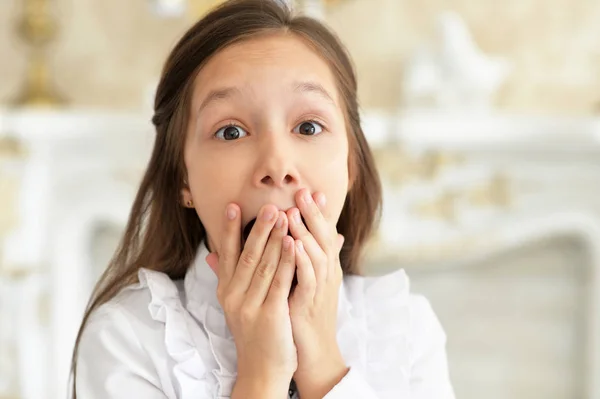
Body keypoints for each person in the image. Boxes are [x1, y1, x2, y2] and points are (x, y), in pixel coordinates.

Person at [70, 0, 455, 398]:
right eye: (231, 132)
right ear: (182, 177)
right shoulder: (127, 338)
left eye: (308, 126)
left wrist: (321, 362)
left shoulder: (407, 329)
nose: (276, 164)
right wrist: (261, 374)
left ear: (351, 167)